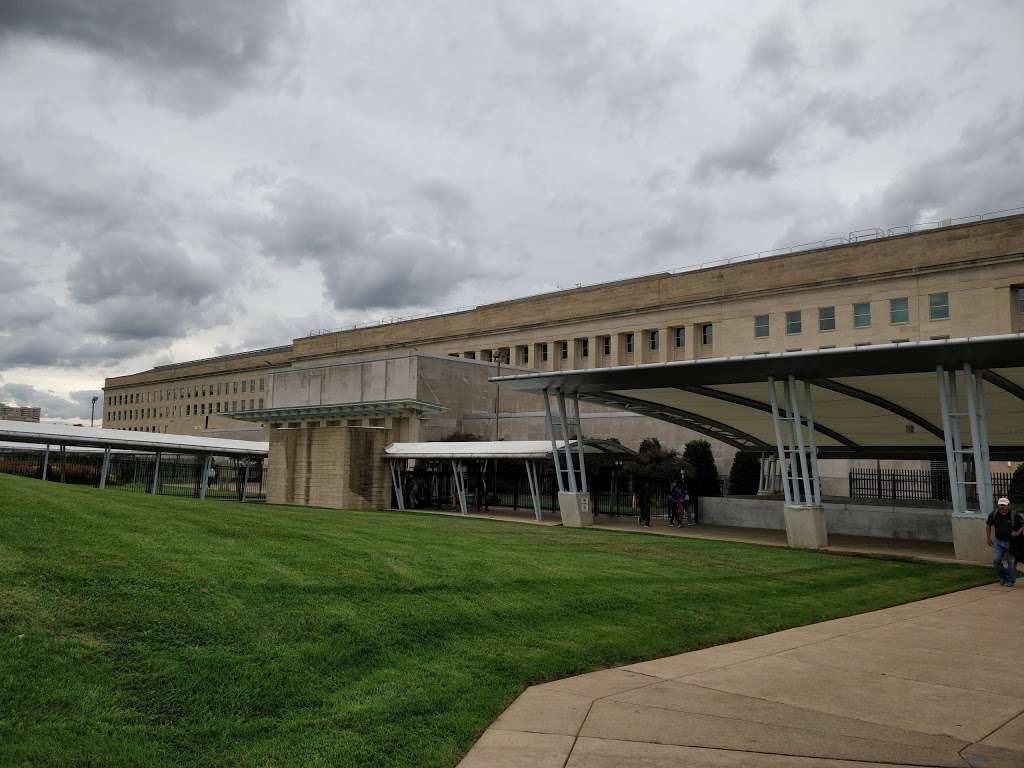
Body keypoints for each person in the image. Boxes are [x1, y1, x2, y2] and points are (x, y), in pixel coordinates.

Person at [986, 497, 1023, 587]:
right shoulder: (994, 514)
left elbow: (1023, 525)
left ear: (1008, 506)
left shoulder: (1015, 515)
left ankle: (1010, 580)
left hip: (1011, 543)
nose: (1002, 507)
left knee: (1011, 563)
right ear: (998, 505)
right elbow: (988, 525)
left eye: (1004, 505)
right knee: (996, 559)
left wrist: (1017, 532)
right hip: (998, 541)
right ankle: (1003, 577)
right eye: (1000, 505)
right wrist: (988, 537)